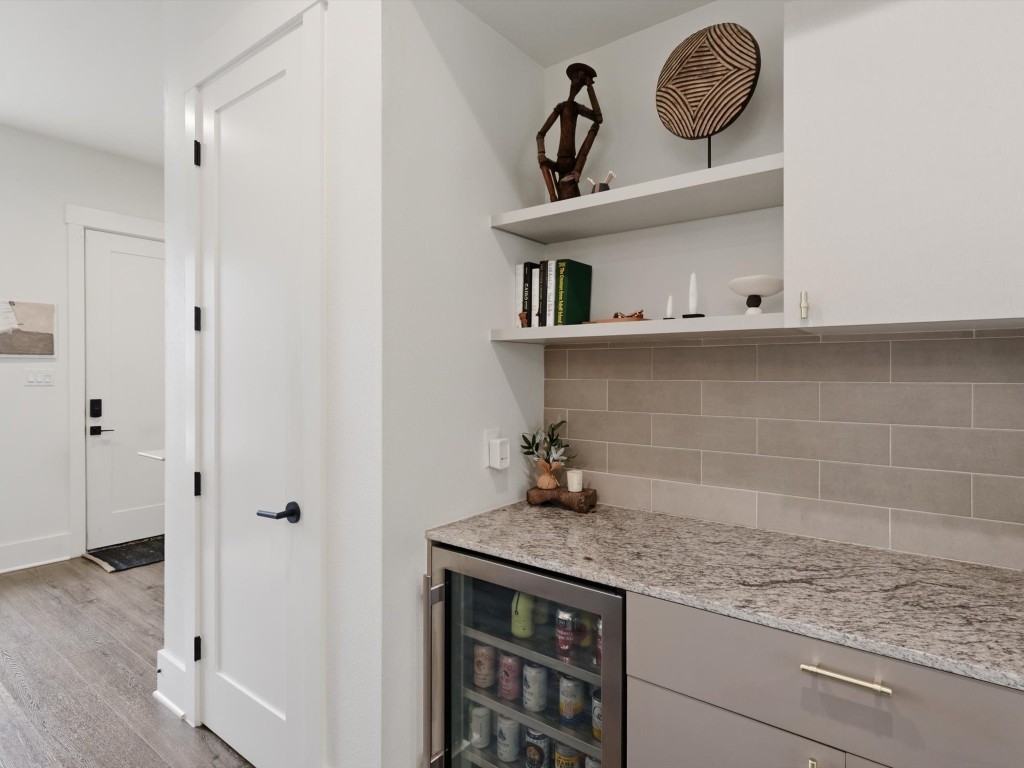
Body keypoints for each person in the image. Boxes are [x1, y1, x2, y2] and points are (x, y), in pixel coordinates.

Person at [536, 63, 603, 201]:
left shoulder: (577, 108)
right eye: (576, 78)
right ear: (571, 80)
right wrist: (541, 153)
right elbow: (540, 135)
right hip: (559, 163)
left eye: (581, 79)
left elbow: (598, 119)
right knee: (542, 164)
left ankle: (575, 173)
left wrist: (590, 87)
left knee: (595, 128)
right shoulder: (561, 107)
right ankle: (553, 198)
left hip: (574, 163)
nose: (577, 82)